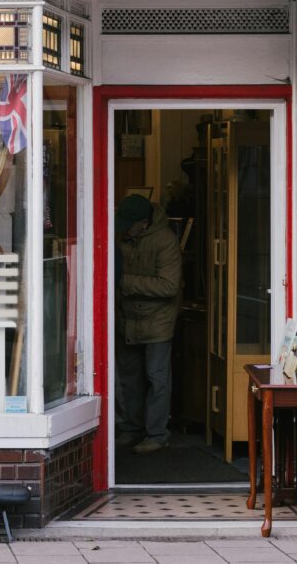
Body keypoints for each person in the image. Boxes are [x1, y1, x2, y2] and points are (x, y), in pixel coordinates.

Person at [114, 194, 183, 454]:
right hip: (128, 317)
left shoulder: (165, 240)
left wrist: (124, 282)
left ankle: (156, 434)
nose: (122, 228)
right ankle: (132, 429)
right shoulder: (125, 235)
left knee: (157, 378)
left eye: (127, 224)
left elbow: (169, 285)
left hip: (157, 320)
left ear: (143, 223)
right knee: (130, 378)